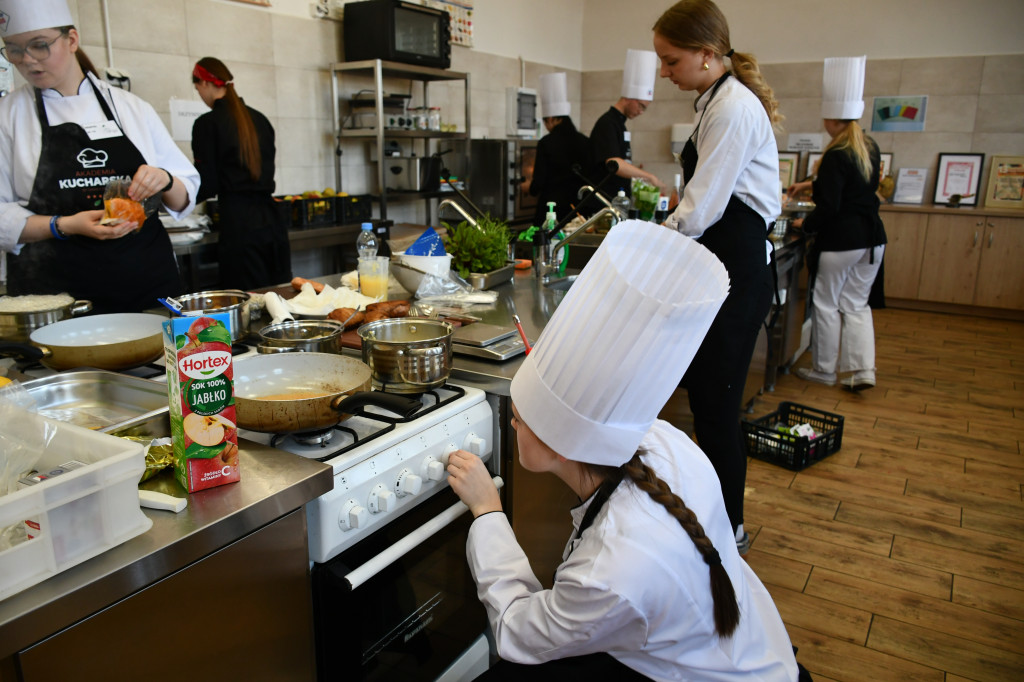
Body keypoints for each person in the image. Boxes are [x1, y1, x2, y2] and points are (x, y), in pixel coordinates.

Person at [446, 221, 802, 680]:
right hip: (753, 646)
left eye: (518, 417)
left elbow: (516, 630)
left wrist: (487, 510)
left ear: (559, 444)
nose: (512, 422)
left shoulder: (608, 574)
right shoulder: (664, 442)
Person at [654, 0, 782, 554]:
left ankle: (730, 531)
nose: (664, 71)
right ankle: (711, 516)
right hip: (720, 267)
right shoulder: (715, 100)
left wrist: (652, 243)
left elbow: (700, 210)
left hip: (737, 268)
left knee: (718, 405)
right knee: (707, 400)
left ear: (707, 54)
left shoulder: (731, 108)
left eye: (672, 60)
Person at [0, 0, 198, 314]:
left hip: (145, 286)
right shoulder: (7, 116)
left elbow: (184, 195)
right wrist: (63, 225)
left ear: (72, 39)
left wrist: (165, 179)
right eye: (13, 49)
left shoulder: (131, 108)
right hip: (55, 300)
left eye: (39, 46)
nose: (27, 60)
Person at [789, 56, 886, 392]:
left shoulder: (835, 153)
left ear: (830, 119)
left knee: (826, 303)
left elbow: (830, 206)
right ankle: (862, 371)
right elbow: (854, 188)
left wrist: (805, 224)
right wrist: (809, 185)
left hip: (842, 240)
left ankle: (825, 370)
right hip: (873, 239)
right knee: (856, 304)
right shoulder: (867, 146)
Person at [191, 57, 291, 291]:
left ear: (204, 83)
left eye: (197, 89)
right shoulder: (260, 119)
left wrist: (172, 200)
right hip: (272, 222)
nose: (200, 94)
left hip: (239, 226)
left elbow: (207, 182)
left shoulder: (207, 124)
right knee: (278, 296)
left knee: (246, 299)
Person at [589, 49, 662, 202]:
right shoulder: (607, 123)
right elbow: (614, 163)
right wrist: (649, 177)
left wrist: (635, 171)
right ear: (629, 98)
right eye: (641, 106)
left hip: (617, 199)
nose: (641, 112)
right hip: (604, 201)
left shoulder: (619, 124)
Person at [525, 72, 590, 226]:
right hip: (577, 211)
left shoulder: (546, 143)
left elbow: (538, 183)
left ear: (551, 119)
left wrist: (528, 187)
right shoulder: (585, 141)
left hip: (550, 210)